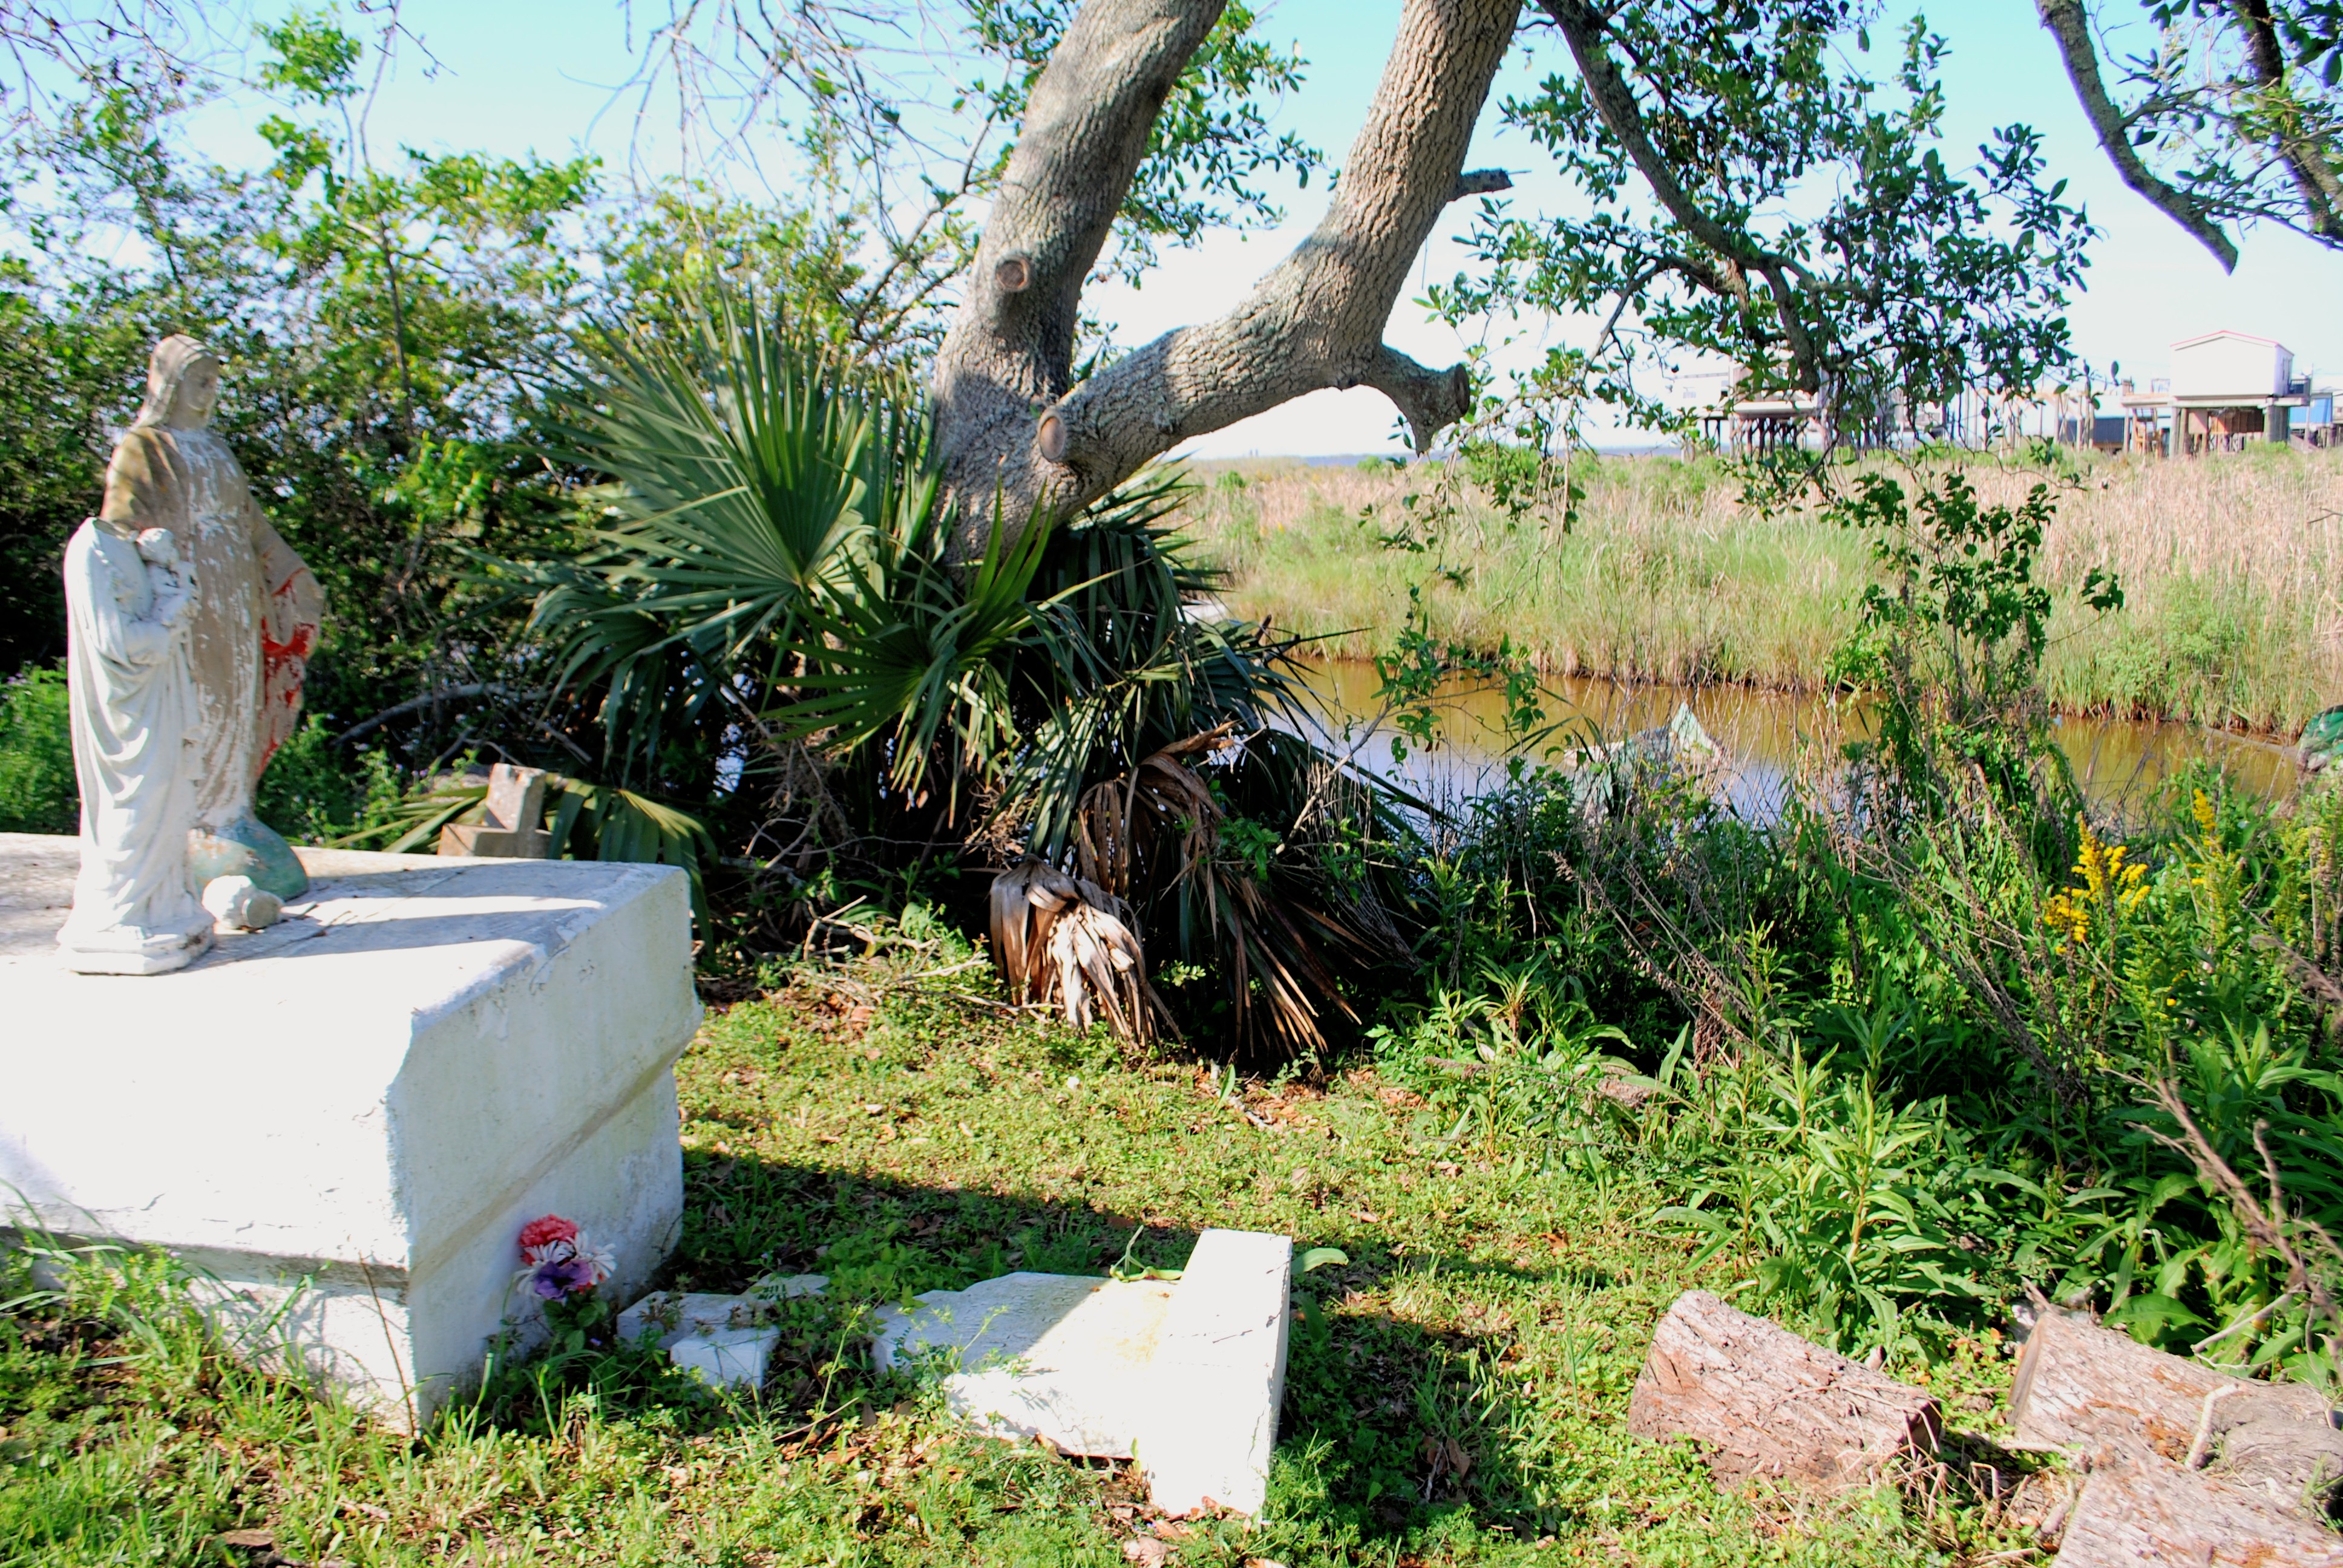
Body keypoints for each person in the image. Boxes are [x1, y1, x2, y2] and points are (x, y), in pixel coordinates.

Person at [98, 336, 323, 898]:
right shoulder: (145, 448)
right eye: (199, 380)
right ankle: (197, 818)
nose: (209, 393)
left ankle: (233, 811)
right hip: (187, 594)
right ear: (168, 382)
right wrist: (160, 560)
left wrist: (293, 575)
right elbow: (119, 530)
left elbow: (253, 527)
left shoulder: (217, 449)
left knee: (239, 698)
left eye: (214, 382)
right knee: (203, 700)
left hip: (237, 593)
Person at [54, 518, 214, 973]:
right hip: (127, 708)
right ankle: (115, 913)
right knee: (141, 795)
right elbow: (116, 641)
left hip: (158, 693)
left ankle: (165, 903)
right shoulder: (93, 550)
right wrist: (169, 616)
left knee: (173, 793)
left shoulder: (128, 546)